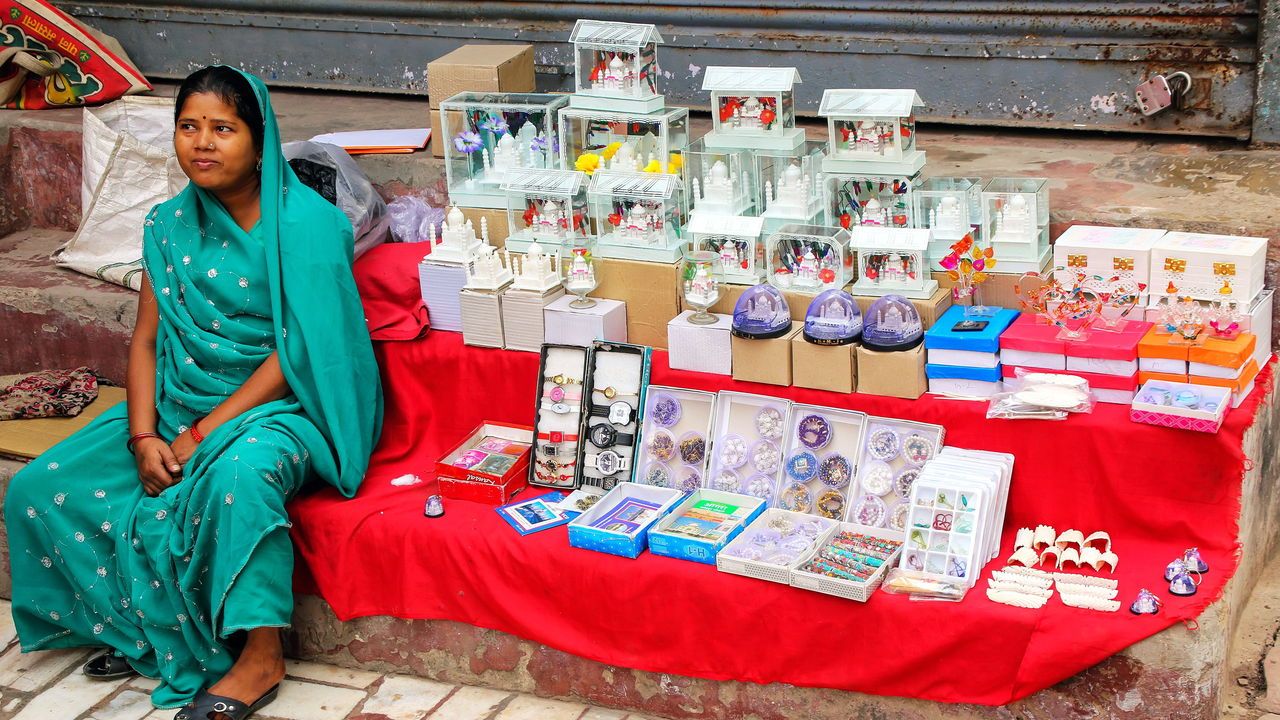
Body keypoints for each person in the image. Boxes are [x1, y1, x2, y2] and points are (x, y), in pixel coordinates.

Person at [4, 66, 383, 719]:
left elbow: (296, 353)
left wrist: (200, 436)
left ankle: (260, 654)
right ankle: (142, 628)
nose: (202, 143)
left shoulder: (308, 228)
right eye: (189, 126)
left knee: (237, 479)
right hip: (182, 396)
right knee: (38, 487)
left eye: (223, 128)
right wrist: (143, 435)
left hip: (285, 405)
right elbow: (148, 340)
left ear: (258, 142)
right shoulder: (170, 223)